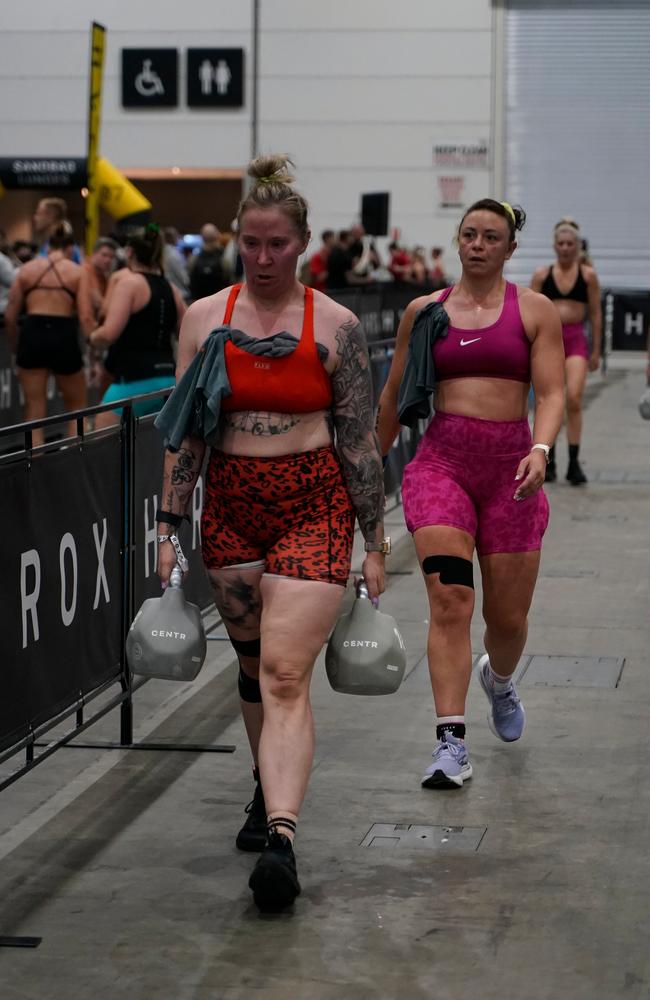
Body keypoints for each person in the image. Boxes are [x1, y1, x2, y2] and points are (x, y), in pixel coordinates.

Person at [154, 154, 386, 910]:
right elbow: (187, 434)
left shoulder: (338, 327)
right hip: (230, 503)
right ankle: (265, 782)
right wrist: (167, 524)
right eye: (249, 244)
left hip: (313, 502)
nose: (261, 258)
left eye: (275, 244)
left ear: (302, 244)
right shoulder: (202, 319)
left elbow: (358, 440)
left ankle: (282, 838)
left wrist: (375, 540)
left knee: (287, 673)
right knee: (252, 669)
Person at [377, 198, 564, 789]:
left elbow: (553, 393)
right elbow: (390, 399)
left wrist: (541, 448)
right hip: (443, 468)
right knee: (451, 602)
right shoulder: (425, 311)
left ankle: (500, 680)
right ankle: (451, 744)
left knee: (507, 620)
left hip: (511, 473)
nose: (478, 244)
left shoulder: (533, 311)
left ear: (510, 249)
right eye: (469, 234)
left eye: (491, 237)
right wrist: (361, 474)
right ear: (457, 242)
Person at [89, 225, 186, 428]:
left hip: (133, 380)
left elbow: (108, 334)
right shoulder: (171, 288)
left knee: (101, 443)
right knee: (149, 451)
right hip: (167, 380)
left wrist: (92, 336)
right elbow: (186, 331)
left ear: (129, 252)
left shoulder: (129, 284)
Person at [531, 218, 602, 484]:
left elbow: (595, 314)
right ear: (554, 246)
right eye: (561, 243)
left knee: (572, 397)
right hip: (549, 341)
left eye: (570, 243)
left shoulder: (588, 276)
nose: (565, 248)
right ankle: (549, 459)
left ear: (577, 246)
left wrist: (596, 351)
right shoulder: (541, 275)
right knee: (549, 399)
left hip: (574, 340)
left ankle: (574, 461)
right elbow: (529, 312)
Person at [4, 221, 85, 446]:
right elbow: (86, 315)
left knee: (34, 410)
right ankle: (73, 461)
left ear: (48, 245)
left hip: (33, 332)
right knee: (76, 408)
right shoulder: (77, 272)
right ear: (70, 248)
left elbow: (10, 317)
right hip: (64, 333)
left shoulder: (27, 270)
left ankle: (35, 467)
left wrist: (15, 345)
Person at [77, 237, 118, 339]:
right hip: (83, 330)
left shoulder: (104, 276)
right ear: (94, 254)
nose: (108, 260)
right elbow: (96, 304)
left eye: (111, 257)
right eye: (104, 255)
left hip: (94, 328)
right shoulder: (84, 271)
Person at [32, 196, 82, 263]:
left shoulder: (63, 247)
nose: (35, 218)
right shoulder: (48, 242)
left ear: (50, 216)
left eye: (38, 213)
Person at [189, 223, 227, 301]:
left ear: (202, 237)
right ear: (217, 235)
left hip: (199, 303)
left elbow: (190, 280)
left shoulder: (193, 258)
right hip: (221, 302)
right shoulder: (225, 257)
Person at [162, 227, 190, 300]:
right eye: (177, 236)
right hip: (180, 292)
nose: (178, 238)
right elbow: (183, 277)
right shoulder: (174, 254)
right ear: (172, 238)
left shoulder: (161, 252)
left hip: (168, 292)